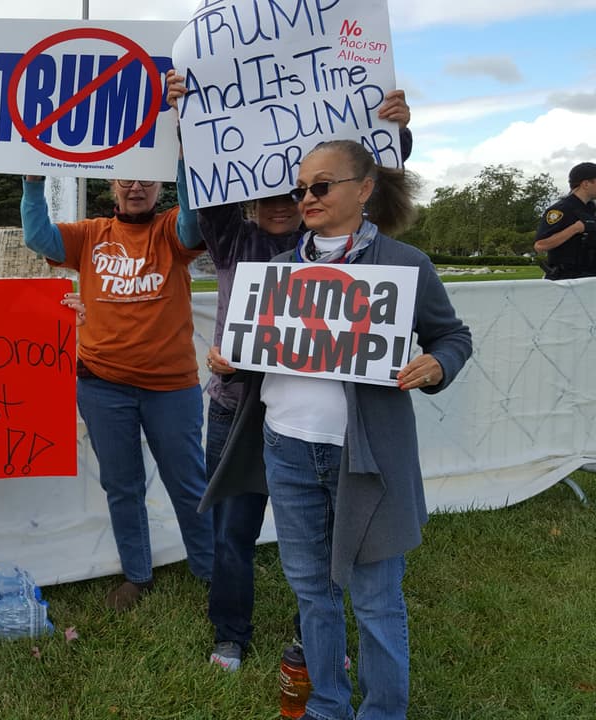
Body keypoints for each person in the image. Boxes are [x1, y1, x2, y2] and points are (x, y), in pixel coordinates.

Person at [201, 139, 473, 720]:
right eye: (302, 189)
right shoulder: (274, 272)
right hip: (286, 448)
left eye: (321, 186)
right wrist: (229, 359)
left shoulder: (403, 265)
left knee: (376, 597)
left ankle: (382, 711)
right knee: (311, 591)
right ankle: (326, 706)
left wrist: (437, 364)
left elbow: (453, 337)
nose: (308, 198)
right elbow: (262, 356)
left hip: (367, 457)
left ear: (365, 189)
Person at [197, 87, 415, 671]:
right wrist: (187, 118)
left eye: (301, 192)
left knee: (319, 542)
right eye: (272, 193)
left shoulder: (329, 243)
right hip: (236, 408)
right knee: (232, 530)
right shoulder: (233, 241)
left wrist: (391, 138)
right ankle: (230, 634)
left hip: (320, 421)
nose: (285, 202)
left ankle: (312, 640)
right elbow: (203, 177)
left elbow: (373, 194)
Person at [19, 100, 213, 611]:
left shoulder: (171, 229)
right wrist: (33, 185)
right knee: (121, 485)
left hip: (171, 387)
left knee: (188, 481)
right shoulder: (90, 235)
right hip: (102, 385)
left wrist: (178, 154)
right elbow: (37, 236)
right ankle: (137, 574)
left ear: (159, 185)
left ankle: (212, 567)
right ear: (111, 185)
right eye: (125, 179)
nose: (135, 187)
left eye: (146, 179)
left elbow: (195, 226)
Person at [534, 161, 596, 280]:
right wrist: (575, 229)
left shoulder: (591, 209)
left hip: (589, 277)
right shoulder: (561, 209)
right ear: (586, 183)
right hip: (566, 279)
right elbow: (540, 245)